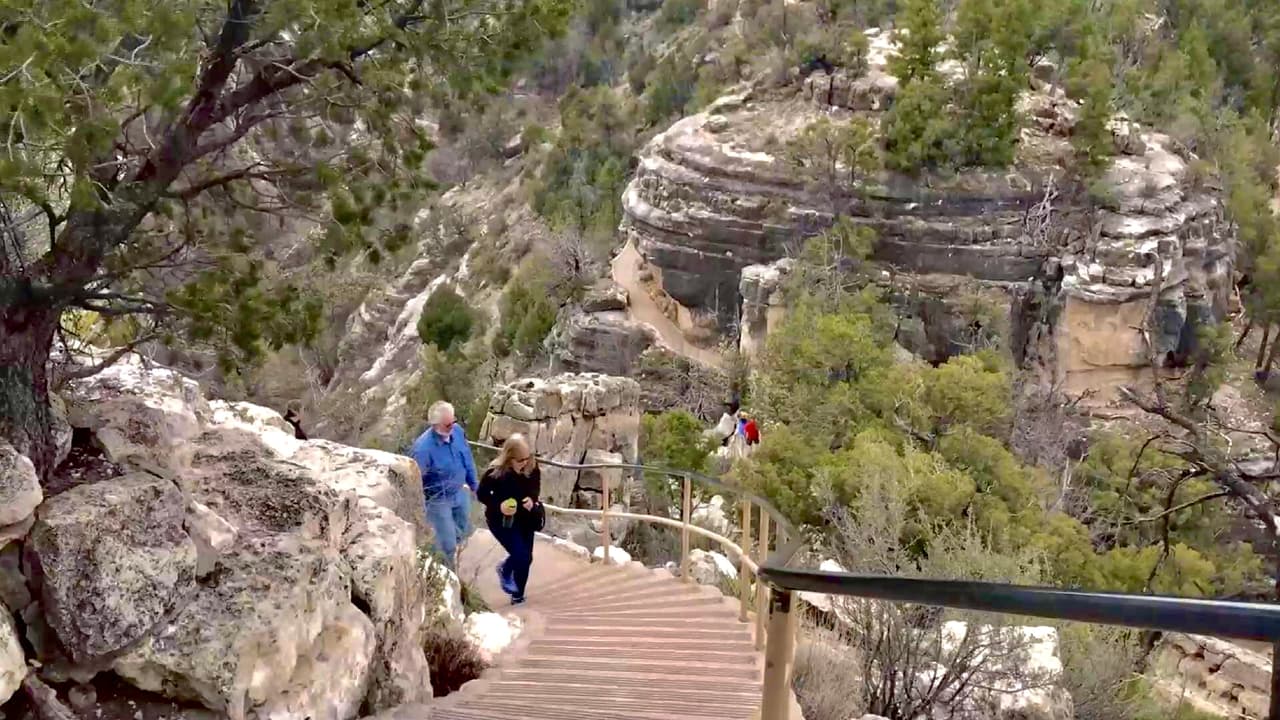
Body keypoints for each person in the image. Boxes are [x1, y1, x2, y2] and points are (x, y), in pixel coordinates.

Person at [409, 400, 478, 569]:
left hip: (459, 492)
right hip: (438, 500)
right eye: (448, 425)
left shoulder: (458, 432)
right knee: (446, 544)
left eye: (453, 422)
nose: (452, 427)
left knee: (463, 531)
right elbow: (414, 483)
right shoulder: (423, 449)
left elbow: (467, 458)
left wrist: (474, 485)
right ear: (435, 425)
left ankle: (454, 561)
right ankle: (447, 574)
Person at [477, 434, 542, 605]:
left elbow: (535, 489)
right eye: (520, 460)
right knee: (520, 555)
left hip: (525, 518)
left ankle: (518, 595)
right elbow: (482, 494)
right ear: (509, 457)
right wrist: (499, 506)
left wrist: (531, 500)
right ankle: (505, 569)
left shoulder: (532, 467)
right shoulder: (496, 473)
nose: (525, 463)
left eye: (527, 458)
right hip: (502, 521)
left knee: (526, 558)